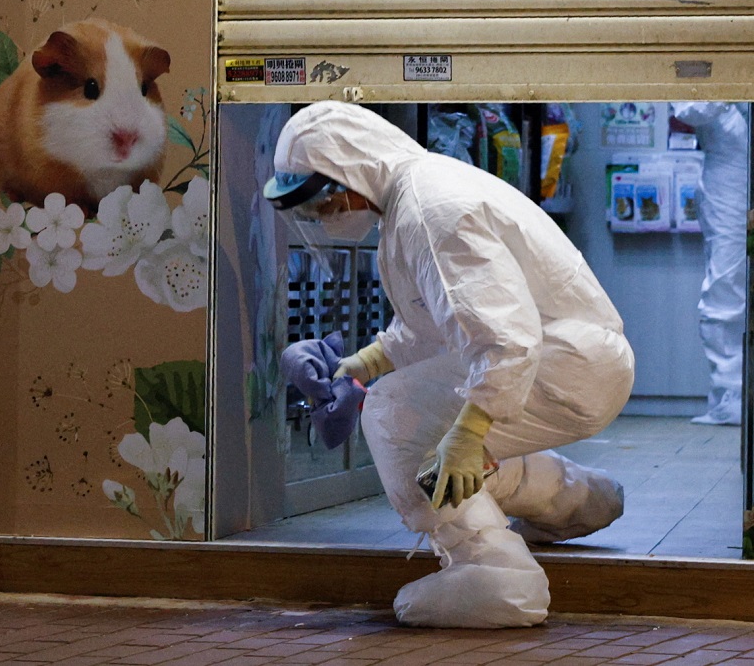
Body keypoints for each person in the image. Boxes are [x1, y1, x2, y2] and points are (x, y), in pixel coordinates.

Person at [265, 102, 635, 628]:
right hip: (575, 361)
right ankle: (580, 502)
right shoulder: (413, 200)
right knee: (449, 441)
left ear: (350, 175)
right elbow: (429, 330)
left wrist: (469, 428)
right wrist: (358, 366)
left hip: (561, 364)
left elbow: (503, 338)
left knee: (397, 415)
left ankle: (495, 575)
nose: (320, 217)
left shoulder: (429, 209)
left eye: (321, 201)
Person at [669, 102, 749, 426]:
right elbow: (688, 108)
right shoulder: (708, 55)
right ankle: (728, 394)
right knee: (725, 285)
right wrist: (731, 81)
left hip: (733, 169)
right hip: (729, 174)